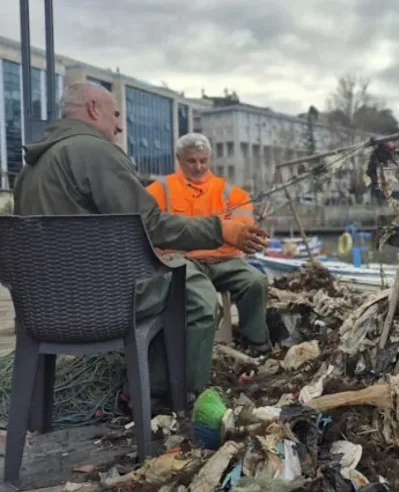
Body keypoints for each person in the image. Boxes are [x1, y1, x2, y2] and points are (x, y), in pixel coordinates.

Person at [13, 81, 269, 398]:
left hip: (44, 310)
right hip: (103, 305)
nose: (120, 127)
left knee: (184, 281)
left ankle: (145, 383)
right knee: (196, 294)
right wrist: (219, 230)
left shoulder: (29, 170)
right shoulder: (95, 153)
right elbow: (149, 223)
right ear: (93, 109)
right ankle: (166, 394)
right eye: (116, 115)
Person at [146, 133, 271, 355]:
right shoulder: (159, 190)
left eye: (203, 160)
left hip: (224, 261)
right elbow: (146, 224)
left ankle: (256, 342)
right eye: (191, 161)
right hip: (182, 260)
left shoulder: (232, 193)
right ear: (179, 158)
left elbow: (244, 225)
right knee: (203, 299)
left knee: (256, 282)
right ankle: (195, 353)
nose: (198, 166)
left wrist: (246, 233)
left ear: (209, 159)